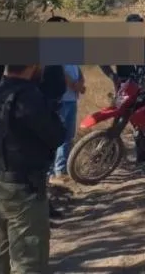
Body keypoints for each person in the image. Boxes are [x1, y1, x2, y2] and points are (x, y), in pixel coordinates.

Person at [0, 63, 65, 273]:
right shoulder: (28, 98)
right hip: (21, 191)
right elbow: (56, 135)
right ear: (33, 65)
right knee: (28, 264)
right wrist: (51, 103)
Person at [99, 13, 145, 162]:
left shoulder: (141, 40)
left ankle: (143, 153)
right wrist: (113, 77)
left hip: (140, 85)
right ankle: (105, 152)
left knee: (142, 118)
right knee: (119, 119)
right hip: (124, 86)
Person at [43, 16, 85, 179]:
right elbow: (58, 71)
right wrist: (74, 84)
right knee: (55, 135)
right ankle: (50, 172)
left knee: (68, 136)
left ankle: (62, 170)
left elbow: (76, 68)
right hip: (58, 99)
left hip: (71, 99)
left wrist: (80, 81)